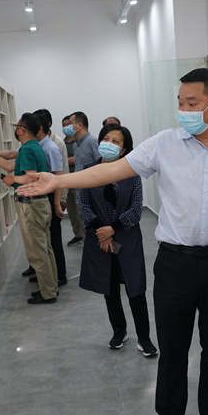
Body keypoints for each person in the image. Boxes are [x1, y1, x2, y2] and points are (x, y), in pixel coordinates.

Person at [17, 68, 208, 415]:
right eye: (180, 102)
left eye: (192, 103)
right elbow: (111, 169)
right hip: (175, 263)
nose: (184, 110)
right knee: (172, 349)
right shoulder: (165, 143)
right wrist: (59, 181)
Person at [77, 123, 157, 357]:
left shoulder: (132, 172)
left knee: (135, 289)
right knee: (109, 287)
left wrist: (112, 229)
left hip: (126, 237)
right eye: (106, 139)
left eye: (115, 141)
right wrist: (100, 231)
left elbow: (136, 209)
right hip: (99, 239)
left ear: (123, 150)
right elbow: (84, 205)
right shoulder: (88, 171)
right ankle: (119, 331)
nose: (109, 144)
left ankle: (144, 337)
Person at [0, 113, 58, 304]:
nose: (16, 129)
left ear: (22, 130)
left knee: (37, 252)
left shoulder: (27, 149)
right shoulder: (33, 146)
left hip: (30, 204)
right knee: (45, 248)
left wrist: (13, 179)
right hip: (40, 203)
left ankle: (48, 293)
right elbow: (10, 165)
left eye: (17, 126)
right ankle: (50, 287)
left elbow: (31, 176)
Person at [33, 109, 68, 287]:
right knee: (44, 239)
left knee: (54, 238)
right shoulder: (36, 145)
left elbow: (60, 177)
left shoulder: (54, 146)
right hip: (42, 197)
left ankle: (60, 274)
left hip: (52, 196)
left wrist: (58, 202)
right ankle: (47, 273)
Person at [62, 115, 85, 247]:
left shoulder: (78, 142)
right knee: (71, 211)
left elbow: (77, 159)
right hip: (67, 181)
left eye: (68, 124)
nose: (66, 127)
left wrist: (65, 160)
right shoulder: (62, 143)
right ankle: (78, 235)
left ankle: (86, 236)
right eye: (64, 125)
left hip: (78, 181)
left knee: (80, 211)